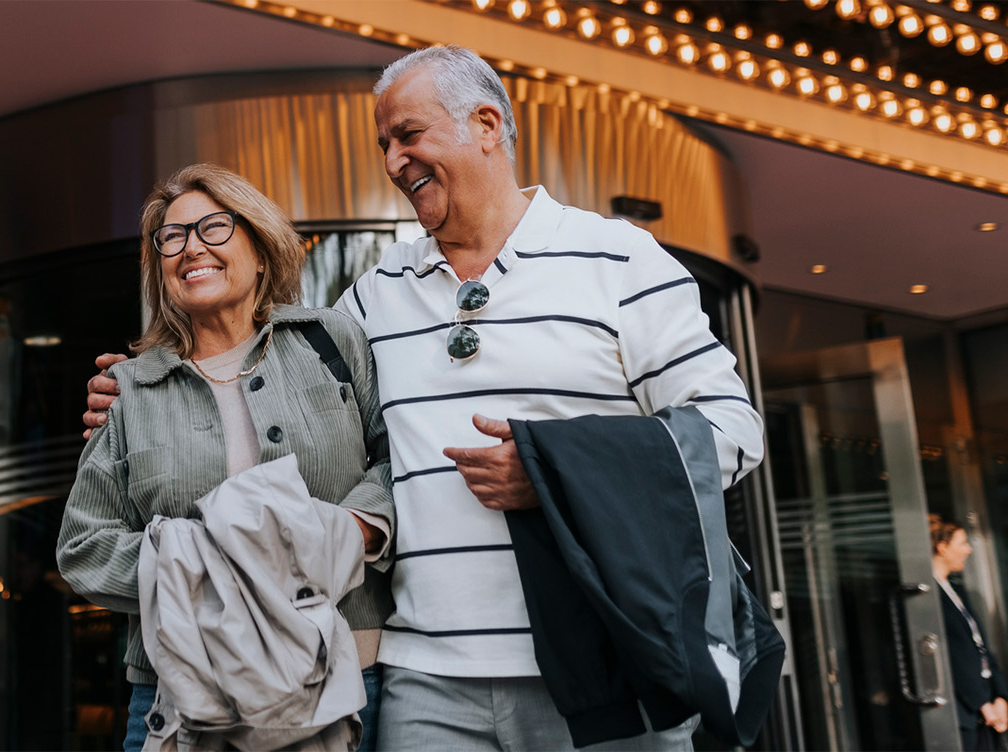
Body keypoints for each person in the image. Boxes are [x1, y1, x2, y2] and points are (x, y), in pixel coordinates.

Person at [85, 45, 764, 751]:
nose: (392, 161)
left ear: (487, 125)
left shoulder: (620, 261)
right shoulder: (372, 299)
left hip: (604, 669)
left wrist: (557, 474)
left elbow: (733, 432)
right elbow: (263, 387)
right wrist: (140, 399)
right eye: (383, 143)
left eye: (408, 135)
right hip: (422, 681)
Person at [57, 163, 396, 752]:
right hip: (181, 692)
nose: (192, 248)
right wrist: (214, 561)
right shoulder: (130, 388)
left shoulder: (331, 342)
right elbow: (83, 547)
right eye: (172, 237)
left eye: (214, 228)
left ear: (261, 249)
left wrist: (349, 531)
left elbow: (397, 462)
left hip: (347, 678)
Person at [931, 515, 1008, 751]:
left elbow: (980, 647)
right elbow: (953, 656)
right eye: (962, 543)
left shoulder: (957, 591)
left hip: (984, 705)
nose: (968, 550)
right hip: (966, 710)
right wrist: (982, 703)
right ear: (942, 548)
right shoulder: (928, 597)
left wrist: (1000, 696)